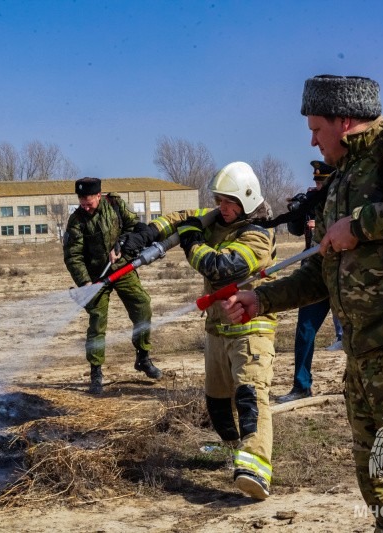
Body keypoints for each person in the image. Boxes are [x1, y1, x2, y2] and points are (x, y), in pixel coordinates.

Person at [224, 75, 383, 530]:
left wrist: (360, 225)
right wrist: (261, 299)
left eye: (317, 129)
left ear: (346, 121)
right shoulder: (342, 178)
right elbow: (322, 272)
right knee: (379, 485)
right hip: (366, 354)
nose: (311, 140)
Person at [125, 162, 277, 500]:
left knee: (251, 397)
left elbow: (221, 268)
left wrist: (192, 242)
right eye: (219, 201)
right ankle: (235, 451)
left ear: (247, 200)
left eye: (228, 203)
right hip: (216, 328)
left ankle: (255, 468)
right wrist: (148, 233)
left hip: (249, 330)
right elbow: (181, 217)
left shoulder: (258, 234)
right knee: (218, 403)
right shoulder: (219, 218)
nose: (221, 208)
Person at [63, 177, 161, 395]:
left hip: (122, 269)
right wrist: (86, 283)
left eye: (89, 202)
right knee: (97, 323)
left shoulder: (115, 205)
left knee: (142, 306)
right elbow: (73, 256)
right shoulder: (76, 220)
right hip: (95, 277)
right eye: (82, 203)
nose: (86, 207)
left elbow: (135, 226)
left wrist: (123, 242)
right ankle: (96, 373)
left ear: (99, 195)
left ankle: (143, 356)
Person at [276, 161, 343, 403]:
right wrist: (299, 210)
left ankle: (364, 384)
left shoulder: (344, 197)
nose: (318, 185)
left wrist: (322, 227)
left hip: (343, 274)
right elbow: (294, 230)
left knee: (359, 333)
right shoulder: (312, 199)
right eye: (316, 181)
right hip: (315, 274)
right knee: (305, 331)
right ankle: (301, 385)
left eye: (322, 181)